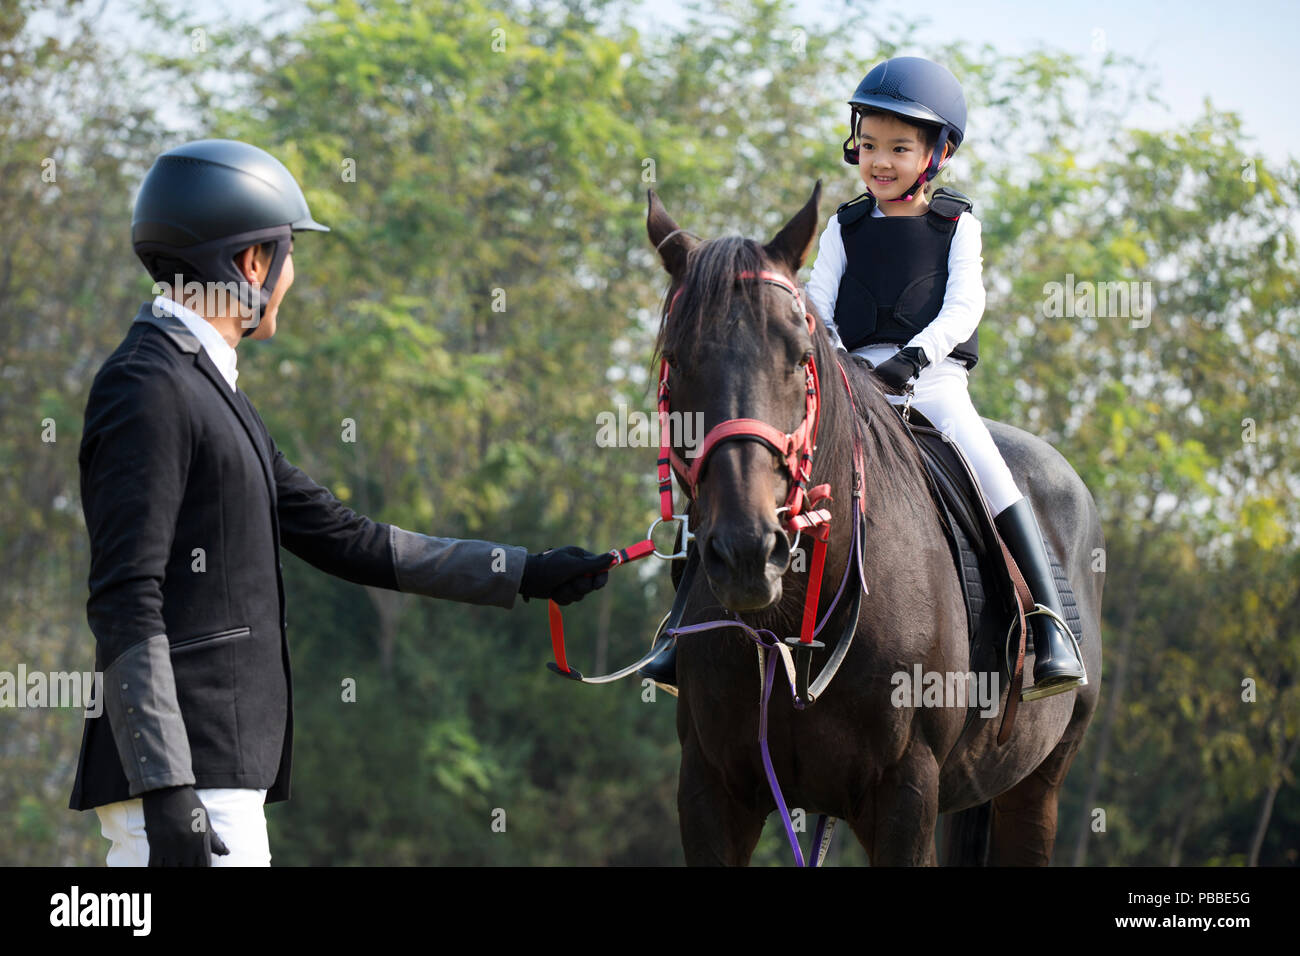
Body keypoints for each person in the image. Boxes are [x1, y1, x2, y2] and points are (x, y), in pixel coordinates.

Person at [70, 139, 613, 866]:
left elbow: (346, 537)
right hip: (192, 777)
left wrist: (522, 571)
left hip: (217, 775)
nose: (293, 276)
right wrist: (169, 789)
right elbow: (123, 597)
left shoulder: (207, 389)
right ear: (250, 264)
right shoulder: (148, 388)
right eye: (288, 255)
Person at [806, 56, 1086, 702]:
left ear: (938, 153)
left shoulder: (957, 224)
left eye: (899, 148)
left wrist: (915, 357)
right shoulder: (843, 228)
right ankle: (686, 631)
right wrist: (843, 359)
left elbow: (965, 306)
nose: (880, 161)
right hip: (851, 384)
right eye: (870, 145)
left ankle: (1049, 627)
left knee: (992, 474)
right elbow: (816, 302)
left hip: (932, 384)